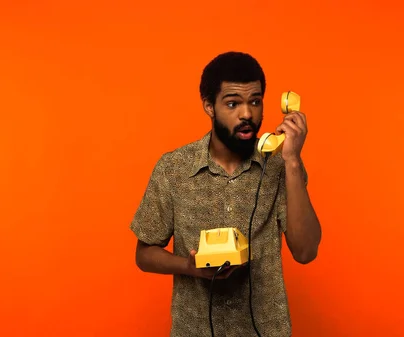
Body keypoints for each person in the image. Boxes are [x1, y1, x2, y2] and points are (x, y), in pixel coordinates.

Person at [130, 51, 322, 337]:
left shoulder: (282, 165)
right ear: (209, 106)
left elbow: (306, 252)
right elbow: (144, 254)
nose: (247, 114)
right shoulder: (173, 168)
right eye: (233, 103)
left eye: (255, 101)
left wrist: (292, 159)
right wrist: (190, 267)